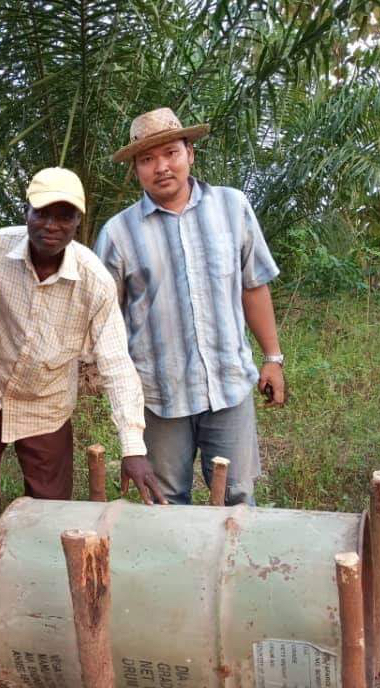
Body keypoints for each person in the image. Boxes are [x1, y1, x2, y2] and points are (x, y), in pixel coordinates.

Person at [0, 167, 165, 638]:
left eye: (64, 217)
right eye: (43, 213)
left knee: (51, 512)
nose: (51, 225)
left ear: (78, 223)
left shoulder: (93, 280)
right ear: (27, 211)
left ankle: (40, 611)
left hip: (47, 407)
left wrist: (133, 447)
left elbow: (117, 362)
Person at [94, 107, 286, 507]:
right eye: (147, 159)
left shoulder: (233, 208)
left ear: (190, 153)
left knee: (236, 498)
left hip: (229, 386)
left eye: (171, 153)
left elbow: (253, 287)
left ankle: (231, 572)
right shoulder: (118, 233)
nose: (161, 167)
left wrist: (273, 358)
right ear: (135, 169)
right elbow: (106, 320)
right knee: (166, 505)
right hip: (159, 396)